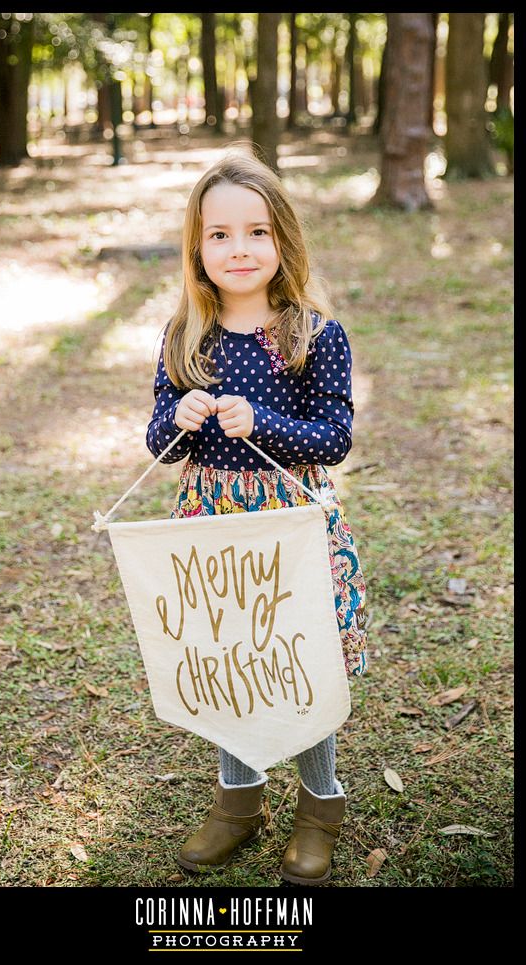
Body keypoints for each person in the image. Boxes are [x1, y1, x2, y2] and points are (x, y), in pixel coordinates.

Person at [145, 150, 367, 886]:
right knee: (226, 657)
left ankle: (318, 804)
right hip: (210, 522)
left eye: (256, 232)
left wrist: (263, 421)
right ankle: (236, 801)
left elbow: (333, 437)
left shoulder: (312, 334)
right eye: (218, 235)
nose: (237, 249)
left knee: (294, 658)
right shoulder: (187, 336)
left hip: (290, 524)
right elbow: (158, 442)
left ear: (282, 242)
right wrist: (176, 415)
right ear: (197, 247)